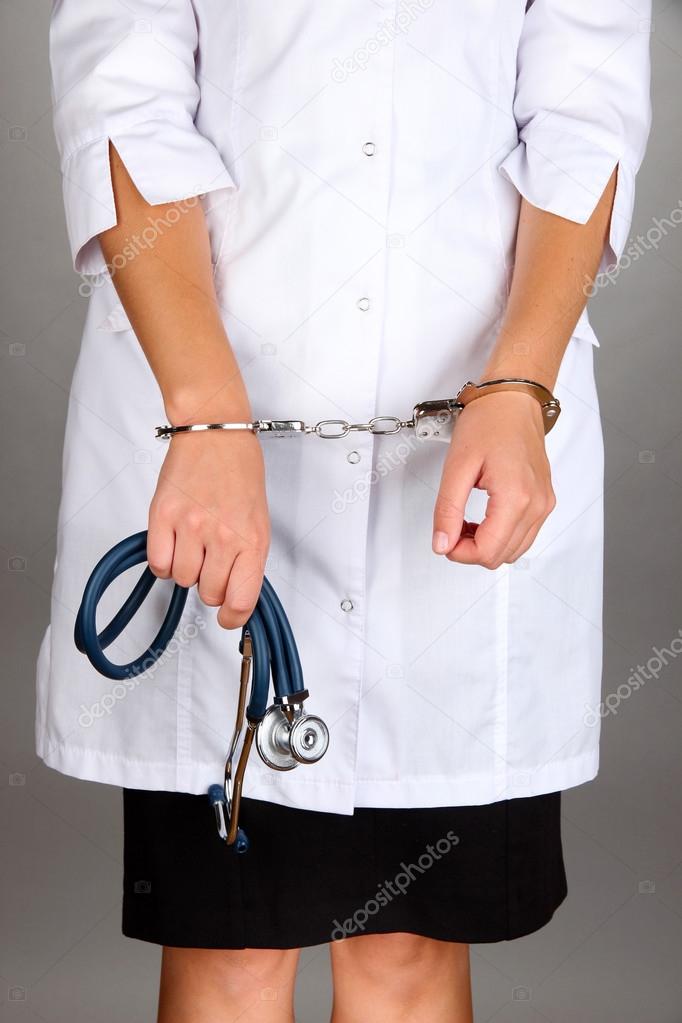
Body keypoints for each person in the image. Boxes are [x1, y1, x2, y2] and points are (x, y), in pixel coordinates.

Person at [38, 2, 652, 1020]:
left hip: (468, 424)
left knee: (407, 957)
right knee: (227, 948)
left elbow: (582, 119)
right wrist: (204, 421)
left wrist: (520, 387)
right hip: (205, 398)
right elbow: (122, 94)